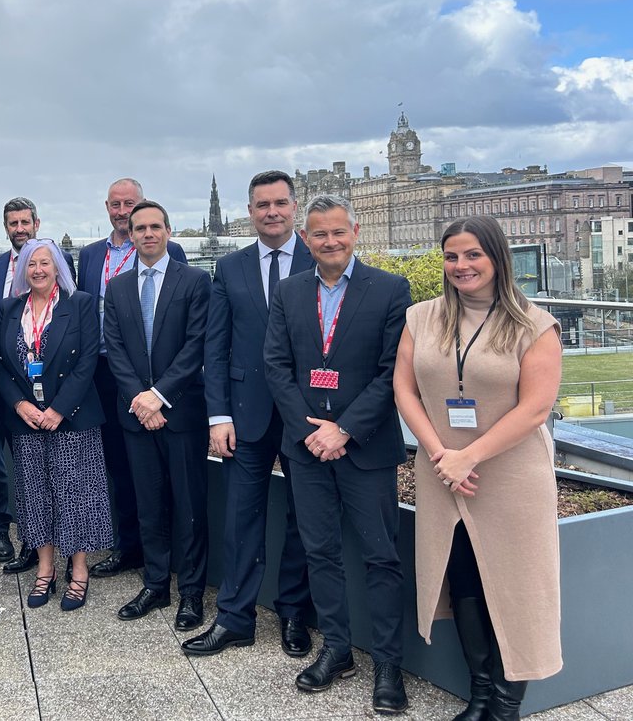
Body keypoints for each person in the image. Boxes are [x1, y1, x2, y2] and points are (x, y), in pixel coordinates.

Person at [394, 216, 562, 721]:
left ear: (496, 258)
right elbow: (404, 389)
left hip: (509, 475)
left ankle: (507, 705)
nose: (461, 266)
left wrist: (469, 455)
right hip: (443, 470)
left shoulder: (534, 324)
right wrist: (442, 455)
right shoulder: (420, 318)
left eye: (472, 255)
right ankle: (482, 693)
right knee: (463, 578)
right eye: (451, 256)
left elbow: (535, 409)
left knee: (515, 585)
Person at [264, 194, 411, 715]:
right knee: (319, 552)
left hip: (364, 448)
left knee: (381, 557)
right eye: (319, 235)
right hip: (306, 448)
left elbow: (392, 372)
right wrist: (311, 432)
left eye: (338, 233)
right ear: (306, 240)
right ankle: (336, 649)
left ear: (355, 234)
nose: (329, 242)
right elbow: (276, 366)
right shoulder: (288, 291)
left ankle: (389, 666)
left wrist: (344, 429)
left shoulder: (390, 289)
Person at [184, 171, 313, 658]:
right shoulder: (231, 268)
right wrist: (218, 415)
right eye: (262, 205)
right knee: (242, 518)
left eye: (280, 203)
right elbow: (214, 348)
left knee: (304, 518)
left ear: (294, 207)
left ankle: (295, 614)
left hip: (304, 414)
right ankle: (235, 618)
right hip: (244, 413)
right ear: (251, 211)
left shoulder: (317, 259)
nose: (272, 212)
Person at [103, 200, 211, 632]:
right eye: (139, 228)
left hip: (180, 412)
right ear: (130, 235)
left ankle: (191, 592)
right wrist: (140, 399)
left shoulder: (196, 281)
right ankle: (155, 584)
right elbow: (115, 348)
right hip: (135, 415)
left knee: (188, 506)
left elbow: (195, 345)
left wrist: (160, 396)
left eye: (155, 226)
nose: (147, 234)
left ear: (168, 231)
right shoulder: (119, 286)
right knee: (148, 504)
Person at [76, 178, 187, 579]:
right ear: (107, 207)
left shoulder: (169, 252)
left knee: (164, 466)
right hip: (107, 373)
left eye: (131, 205)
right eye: (117, 205)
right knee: (119, 463)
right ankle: (128, 545)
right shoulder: (90, 255)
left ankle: (168, 551)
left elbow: (182, 318)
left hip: (158, 379)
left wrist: (155, 390)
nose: (123, 212)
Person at [0, 239, 111, 611]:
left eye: (45, 263)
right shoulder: (10, 308)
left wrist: (59, 409)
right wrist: (19, 403)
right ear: (23, 271)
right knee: (34, 492)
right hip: (26, 418)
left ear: (57, 267)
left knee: (74, 491)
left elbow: (88, 358)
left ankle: (78, 569)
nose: (39, 270)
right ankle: (45, 566)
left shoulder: (81, 304)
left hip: (72, 417)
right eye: (31, 264)